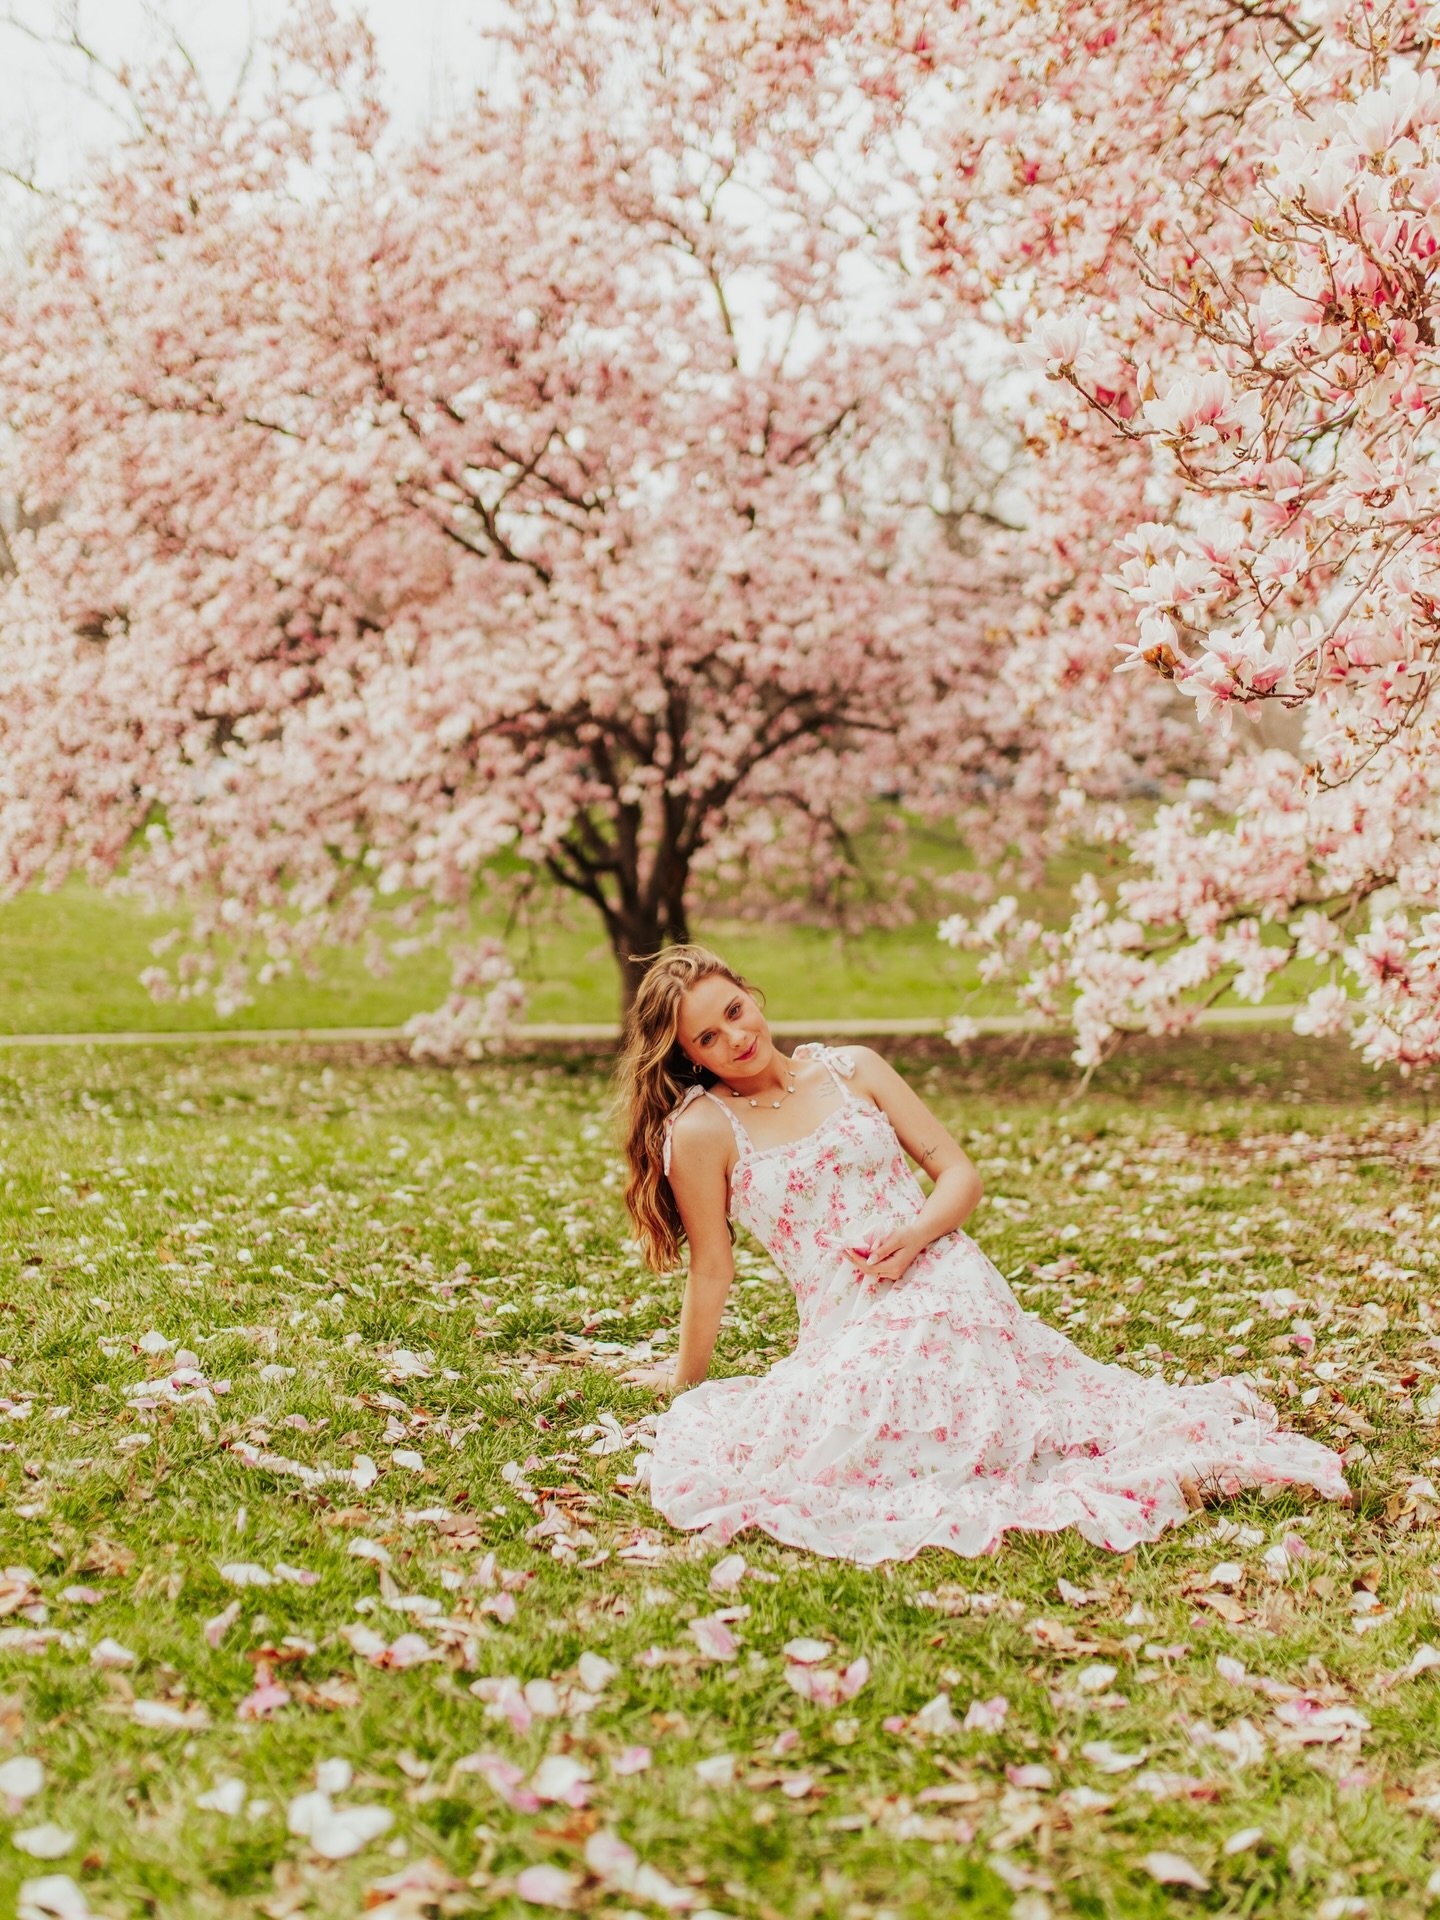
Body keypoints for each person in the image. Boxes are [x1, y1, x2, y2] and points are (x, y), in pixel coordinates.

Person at [616, 944, 1350, 1565]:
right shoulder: (703, 1130)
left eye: (734, 1012)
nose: (734, 1039)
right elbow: (713, 1266)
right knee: (868, 1414)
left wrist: (915, 1238)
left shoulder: (853, 1070)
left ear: (751, 995)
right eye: (708, 1038)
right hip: (848, 1318)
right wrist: (687, 1378)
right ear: (687, 1057)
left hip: (946, 1273)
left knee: (947, 1354)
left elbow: (959, 1174)